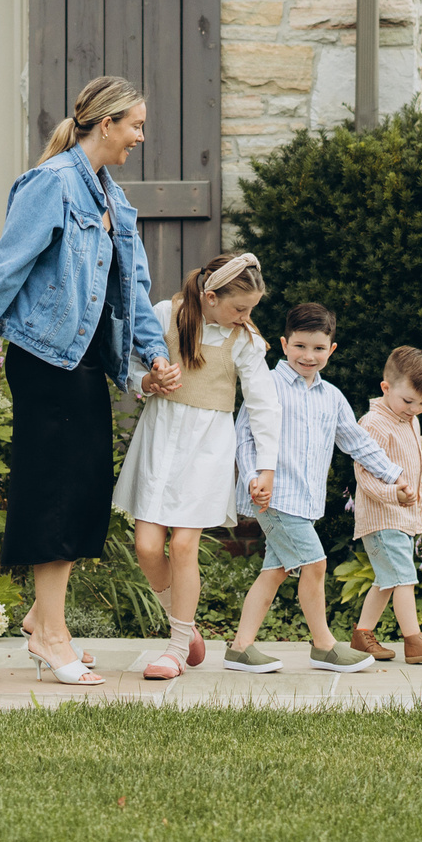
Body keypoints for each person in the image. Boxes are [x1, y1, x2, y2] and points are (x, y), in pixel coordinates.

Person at [0, 74, 179, 685]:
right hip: (47, 360)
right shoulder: (50, 185)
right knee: (55, 492)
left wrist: (153, 354)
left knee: (80, 493)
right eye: (136, 126)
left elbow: (135, 290)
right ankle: (50, 635)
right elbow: (6, 267)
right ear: (106, 124)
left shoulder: (113, 200)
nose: (140, 137)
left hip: (87, 363)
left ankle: (45, 621)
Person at [112, 250, 282, 681]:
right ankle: (185, 628)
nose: (245, 317)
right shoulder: (165, 315)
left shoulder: (242, 340)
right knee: (148, 548)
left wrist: (266, 466)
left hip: (207, 448)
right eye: (239, 308)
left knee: (184, 546)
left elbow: (264, 403)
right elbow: (130, 363)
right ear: (209, 296)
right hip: (159, 439)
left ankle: (174, 648)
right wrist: (147, 381)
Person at [224, 301, 411, 674]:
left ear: (331, 349)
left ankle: (240, 647)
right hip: (275, 497)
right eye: (300, 346)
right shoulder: (268, 386)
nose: (309, 356)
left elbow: (357, 442)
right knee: (316, 563)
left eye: (318, 348)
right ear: (283, 343)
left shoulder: (332, 397)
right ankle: (324, 645)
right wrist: (252, 477)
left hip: (306, 501)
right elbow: (244, 438)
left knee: (275, 571)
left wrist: (393, 475)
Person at [347, 347, 422, 665]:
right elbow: (365, 476)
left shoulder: (409, 422)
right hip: (383, 515)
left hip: (402, 514)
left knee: (388, 579)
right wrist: (392, 495)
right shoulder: (373, 424)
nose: (416, 409)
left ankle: (362, 635)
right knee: (403, 576)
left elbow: (418, 469)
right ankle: (414, 640)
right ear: (386, 388)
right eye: (409, 401)